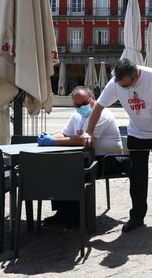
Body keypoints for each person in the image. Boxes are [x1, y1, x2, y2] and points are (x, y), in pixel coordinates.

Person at [82, 58, 152, 232]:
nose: (122, 88)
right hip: (136, 132)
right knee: (137, 176)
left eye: (126, 86)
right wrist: (89, 131)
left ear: (136, 76)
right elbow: (99, 106)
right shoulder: (116, 82)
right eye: (120, 85)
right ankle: (137, 216)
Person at [37, 86, 122, 226]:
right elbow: (65, 133)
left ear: (92, 98)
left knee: (71, 169)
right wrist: (50, 136)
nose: (81, 107)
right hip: (86, 157)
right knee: (58, 167)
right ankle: (63, 212)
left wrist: (53, 141)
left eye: (84, 103)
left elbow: (85, 140)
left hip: (108, 160)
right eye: (77, 105)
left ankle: (77, 215)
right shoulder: (77, 114)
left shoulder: (102, 114)